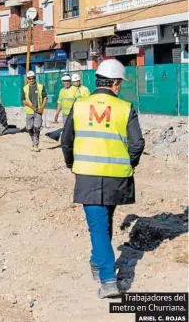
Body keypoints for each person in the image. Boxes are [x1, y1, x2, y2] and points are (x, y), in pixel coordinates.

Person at [61, 59, 145, 299]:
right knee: (104, 222)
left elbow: (65, 141)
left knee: (99, 226)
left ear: (97, 81)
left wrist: (71, 164)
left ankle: (108, 280)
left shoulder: (79, 105)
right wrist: (130, 162)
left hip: (87, 175)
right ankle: (98, 263)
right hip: (116, 178)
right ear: (116, 84)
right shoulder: (125, 108)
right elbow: (138, 144)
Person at [21, 70, 47, 152]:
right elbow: (23, 100)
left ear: (35, 78)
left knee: (37, 127)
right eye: (30, 78)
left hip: (38, 111)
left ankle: (36, 144)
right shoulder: (24, 88)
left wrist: (42, 107)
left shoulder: (40, 86)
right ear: (27, 79)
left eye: (33, 78)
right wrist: (31, 106)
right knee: (29, 128)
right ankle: (33, 140)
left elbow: (45, 97)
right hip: (29, 111)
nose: (31, 80)